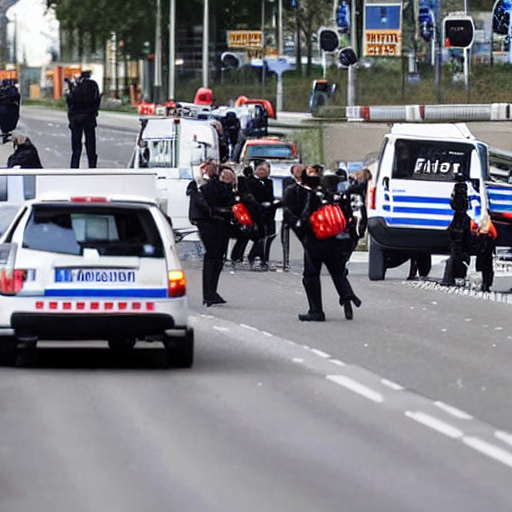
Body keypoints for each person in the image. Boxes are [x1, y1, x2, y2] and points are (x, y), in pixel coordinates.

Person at [282, 164, 361, 322]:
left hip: (313, 237)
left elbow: (299, 215)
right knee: (337, 270)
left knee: (311, 275)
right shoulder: (327, 193)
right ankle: (347, 295)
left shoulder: (300, 193)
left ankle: (316, 310)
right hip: (331, 237)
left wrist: (301, 228)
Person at [187, 161, 234, 306]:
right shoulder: (203, 186)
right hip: (210, 223)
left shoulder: (206, 186)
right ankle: (208, 294)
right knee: (213, 257)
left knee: (217, 258)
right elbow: (209, 204)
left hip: (217, 222)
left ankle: (211, 292)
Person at [66, 70, 101, 168]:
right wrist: (95, 111)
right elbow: (97, 99)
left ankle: (74, 165)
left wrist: (71, 118)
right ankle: (92, 164)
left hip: (76, 117)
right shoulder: (93, 85)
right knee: (90, 142)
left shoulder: (76, 86)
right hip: (89, 116)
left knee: (76, 144)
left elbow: (70, 101)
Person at [442, 173, 473, 286]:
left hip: (458, 224)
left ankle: (450, 277)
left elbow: (453, 203)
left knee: (456, 252)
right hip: (462, 223)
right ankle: (457, 275)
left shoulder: (458, 190)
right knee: (461, 252)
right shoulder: (468, 190)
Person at [281, 163, 306, 271]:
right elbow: (286, 200)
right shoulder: (288, 183)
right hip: (290, 216)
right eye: (297, 171)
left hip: (305, 216)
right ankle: (285, 261)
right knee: (286, 239)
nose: (300, 173)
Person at [0, 79, 21, 143]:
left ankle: (5, 135)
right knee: (10, 124)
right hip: (12, 110)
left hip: (2, 111)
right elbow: (18, 102)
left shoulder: (1, 92)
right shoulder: (15, 92)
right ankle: (6, 135)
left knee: (4, 124)